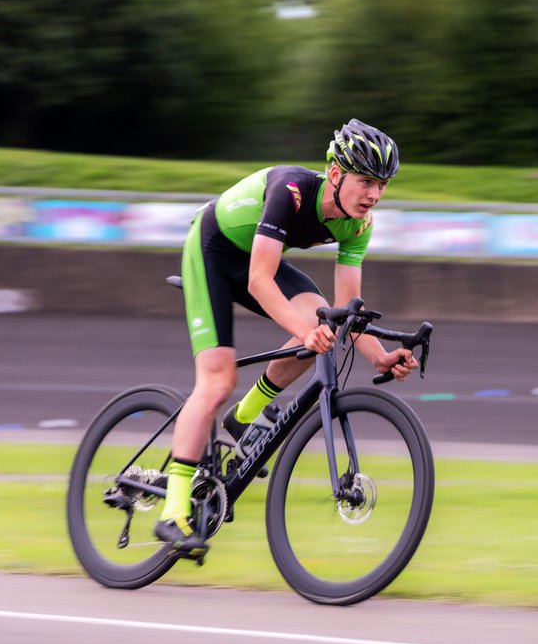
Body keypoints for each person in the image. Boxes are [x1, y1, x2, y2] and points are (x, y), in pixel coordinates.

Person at [155, 119, 419, 555]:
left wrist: (380, 357)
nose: (374, 195)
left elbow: (347, 307)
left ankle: (245, 416)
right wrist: (304, 330)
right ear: (335, 174)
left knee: (328, 322)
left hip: (256, 259)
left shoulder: (358, 225)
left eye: (383, 185)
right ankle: (174, 509)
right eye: (366, 181)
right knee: (218, 379)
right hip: (211, 249)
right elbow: (260, 280)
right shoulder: (291, 190)